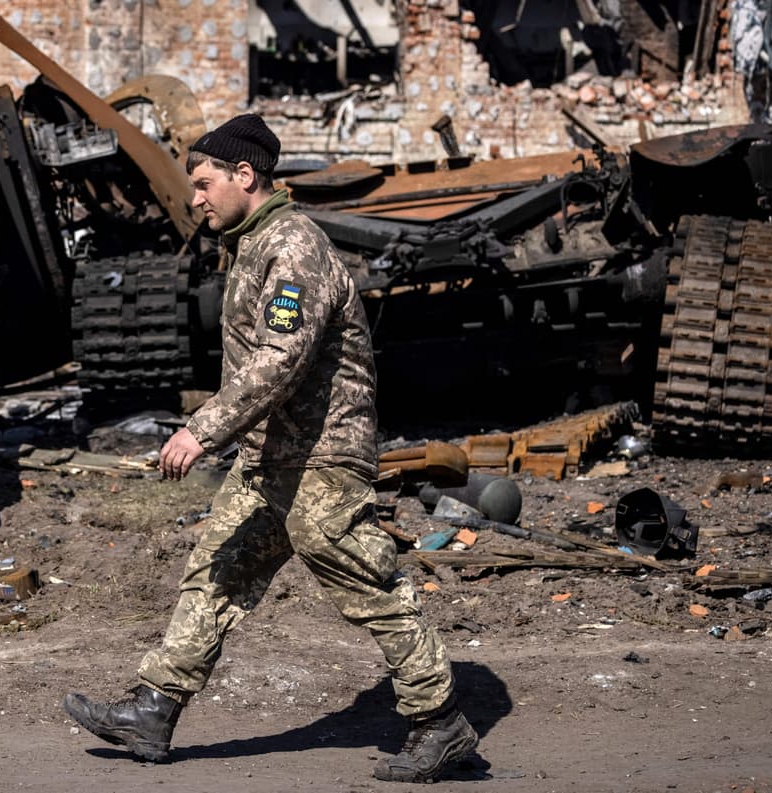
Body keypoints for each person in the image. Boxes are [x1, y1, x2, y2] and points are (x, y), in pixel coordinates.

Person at [63, 113, 478, 783]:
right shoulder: (256, 244)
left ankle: (441, 721)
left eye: (203, 183)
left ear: (245, 176)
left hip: (320, 456)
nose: (196, 198)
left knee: (365, 582)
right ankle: (153, 708)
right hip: (270, 458)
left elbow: (280, 357)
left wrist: (202, 428)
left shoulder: (294, 245)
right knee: (217, 568)